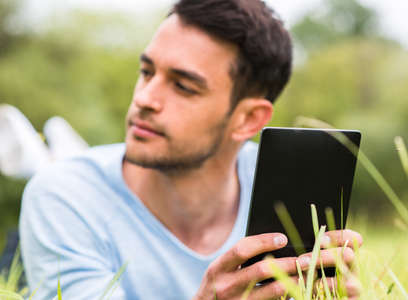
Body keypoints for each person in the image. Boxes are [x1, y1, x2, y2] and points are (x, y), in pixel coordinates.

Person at [19, 0, 363, 299]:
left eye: (183, 86)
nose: (144, 98)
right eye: (146, 72)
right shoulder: (61, 196)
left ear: (247, 119)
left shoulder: (286, 192)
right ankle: (53, 155)